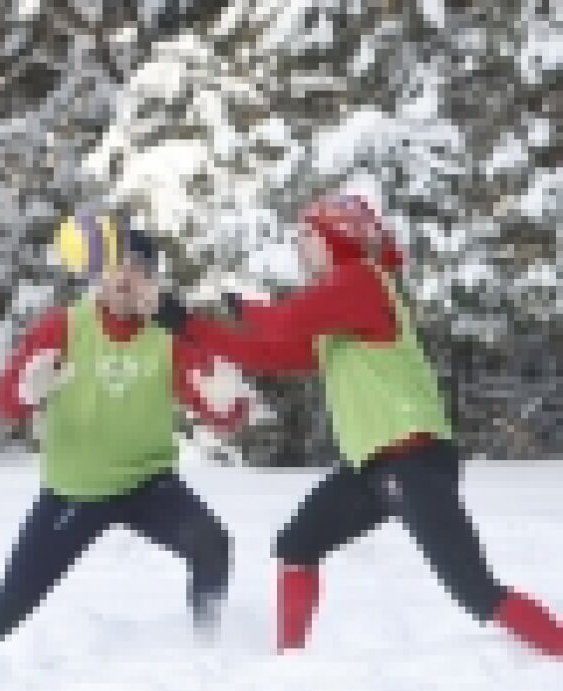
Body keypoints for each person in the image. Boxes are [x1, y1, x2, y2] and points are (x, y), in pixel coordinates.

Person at [183, 194, 563, 656]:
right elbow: (270, 354)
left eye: (306, 235)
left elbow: (283, 324)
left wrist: (237, 307)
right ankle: (289, 663)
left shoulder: (361, 281)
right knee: (297, 544)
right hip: (371, 466)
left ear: (335, 238)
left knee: (474, 592)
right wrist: (186, 326)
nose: (299, 246)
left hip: (413, 462)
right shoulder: (336, 312)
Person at [0, 214, 247, 652]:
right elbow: (5, 404)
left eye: (140, 269)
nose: (128, 277)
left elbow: (226, 415)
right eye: (119, 265)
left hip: (149, 484)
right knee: (15, 598)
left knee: (212, 544)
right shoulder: (65, 327)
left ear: (153, 284)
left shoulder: (169, 338)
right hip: (75, 490)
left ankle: (207, 651)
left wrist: (225, 399)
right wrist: (29, 389)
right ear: (99, 273)